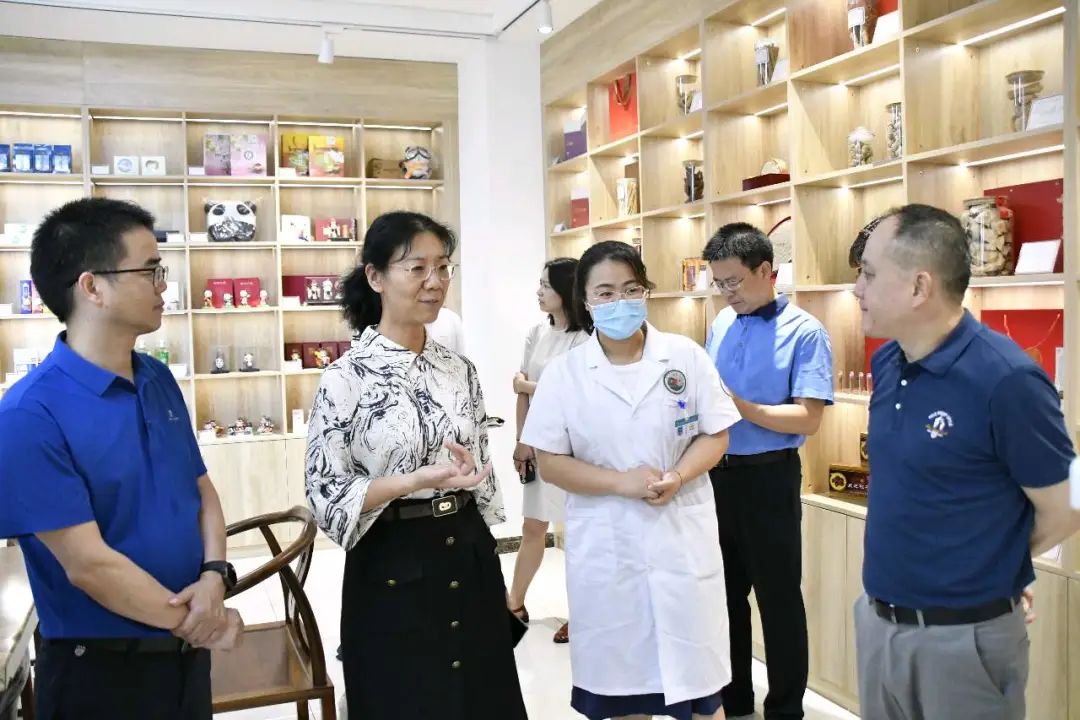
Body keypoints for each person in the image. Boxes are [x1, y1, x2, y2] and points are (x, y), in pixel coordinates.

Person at [0, 198, 242, 720]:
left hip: (185, 659)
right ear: (93, 287)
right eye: (150, 270)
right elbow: (89, 566)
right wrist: (202, 622)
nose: (163, 285)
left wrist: (214, 575)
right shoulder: (28, 413)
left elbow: (200, 489)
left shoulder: (157, 378)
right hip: (102, 675)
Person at [851, 204, 1079, 719]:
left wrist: (999, 565)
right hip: (879, 623)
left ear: (919, 287)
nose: (857, 288)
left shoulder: (1008, 379)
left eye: (869, 274)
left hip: (963, 642)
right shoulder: (887, 362)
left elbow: (1070, 502)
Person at [305, 210, 527, 720]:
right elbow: (326, 494)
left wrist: (472, 485)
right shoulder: (345, 378)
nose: (435, 281)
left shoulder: (459, 369)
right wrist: (412, 481)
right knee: (405, 698)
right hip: (391, 557)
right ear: (375, 277)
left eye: (443, 267)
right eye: (417, 268)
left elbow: (479, 465)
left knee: (481, 698)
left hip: (467, 551)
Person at [521, 240, 740, 720]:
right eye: (605, 292)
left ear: (646, 291)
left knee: (701, 696)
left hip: (681, 543)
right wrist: (622, 483)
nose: (619, 301)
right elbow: (551, 463)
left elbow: (716, 434)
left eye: (630, 289)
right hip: (608, 547)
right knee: (621, 694)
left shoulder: (684, 356)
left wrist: (678, 475)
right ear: (585, 300)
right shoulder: (564, 374)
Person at [703, 223, 834, 720]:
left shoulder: (806, 331)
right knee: (723, 595)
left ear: (766, 270)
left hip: (769, 477)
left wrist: (742, 407)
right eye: (719, 283)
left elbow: (808, 418)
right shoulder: (721, 322)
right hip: (715, 474)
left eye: (734, 281)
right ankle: (733, 698)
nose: (727, 292)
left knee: (778, 599)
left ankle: (785, 708)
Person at [508, 257, 587, 644]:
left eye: (546, 285)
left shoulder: (585, 339)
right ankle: (514, 603)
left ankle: (583, 614)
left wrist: (525, 386)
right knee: (533, 526)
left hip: (574, 449)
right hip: (539, 445)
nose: (538, 292)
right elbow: (521, 390)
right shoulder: (537, 332)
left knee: (578, 534)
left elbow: (572, 393)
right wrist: (522, 441)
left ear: (566, 290)